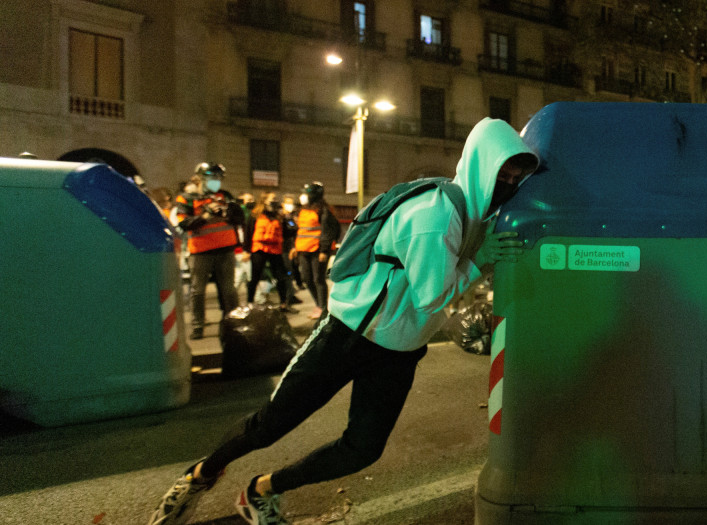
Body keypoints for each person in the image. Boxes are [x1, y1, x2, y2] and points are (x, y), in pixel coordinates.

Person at [147, 118, 540, 525]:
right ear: (481, 167)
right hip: (348, 335)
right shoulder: (434, 215)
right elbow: (432, 297)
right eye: (502, 175)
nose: (507, 185)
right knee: (268, 427)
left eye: (515, 178)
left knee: (362, 450)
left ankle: (261, 491)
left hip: (400, 351)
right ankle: (199, 476)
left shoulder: (480, 217)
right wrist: (479, 262)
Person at [175, 162, 245, 339]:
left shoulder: (225, 196)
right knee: (198, 291)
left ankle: (232, 323)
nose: (216, 182)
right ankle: (198, 326)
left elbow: (239, 218)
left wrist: (226, 213)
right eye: (212, 178)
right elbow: (183, 224)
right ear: (200, 179)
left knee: (229, 290)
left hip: (225, 249)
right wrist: (205, 215)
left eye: (219, 178)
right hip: (201, 251)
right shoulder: (186, 198)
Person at [292, 182, 341, 320]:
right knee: (307, 279)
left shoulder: (323, 211)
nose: (303, 196)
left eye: (306, 194)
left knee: (318, 279)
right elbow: (301, 231)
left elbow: (328, 231)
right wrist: (295, 248)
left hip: (317, 251)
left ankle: (322, 308)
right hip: (303, 250)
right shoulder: (303, 210)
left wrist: (324, 251)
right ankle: (318, 305)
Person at [245, 192, 294, 309]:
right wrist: (246, 250)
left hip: (275, 249)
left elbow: (290, 231)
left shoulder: (279, 216)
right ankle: (250, 303)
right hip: (259, 248)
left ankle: (283, 303)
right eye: (273, 199)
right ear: (264, 200)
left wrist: (287, 218)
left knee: (280, 276)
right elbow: (248, 232)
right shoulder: (255, 215)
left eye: (276, 198)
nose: (275, 200)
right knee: (255, 276)